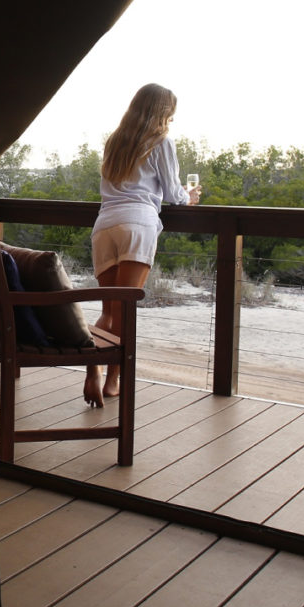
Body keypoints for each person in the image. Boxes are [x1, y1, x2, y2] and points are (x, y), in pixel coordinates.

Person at [84, 82, 200, 406]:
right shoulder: (161, 141)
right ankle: (112, 382)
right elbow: (174, 193)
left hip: (104, 226)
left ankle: (92, 366)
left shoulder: (115, 141)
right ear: (161, 113)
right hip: (137, 224)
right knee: (124, 312)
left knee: (108, 310)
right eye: (170, 115)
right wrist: (189, 197)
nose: (171, 122)